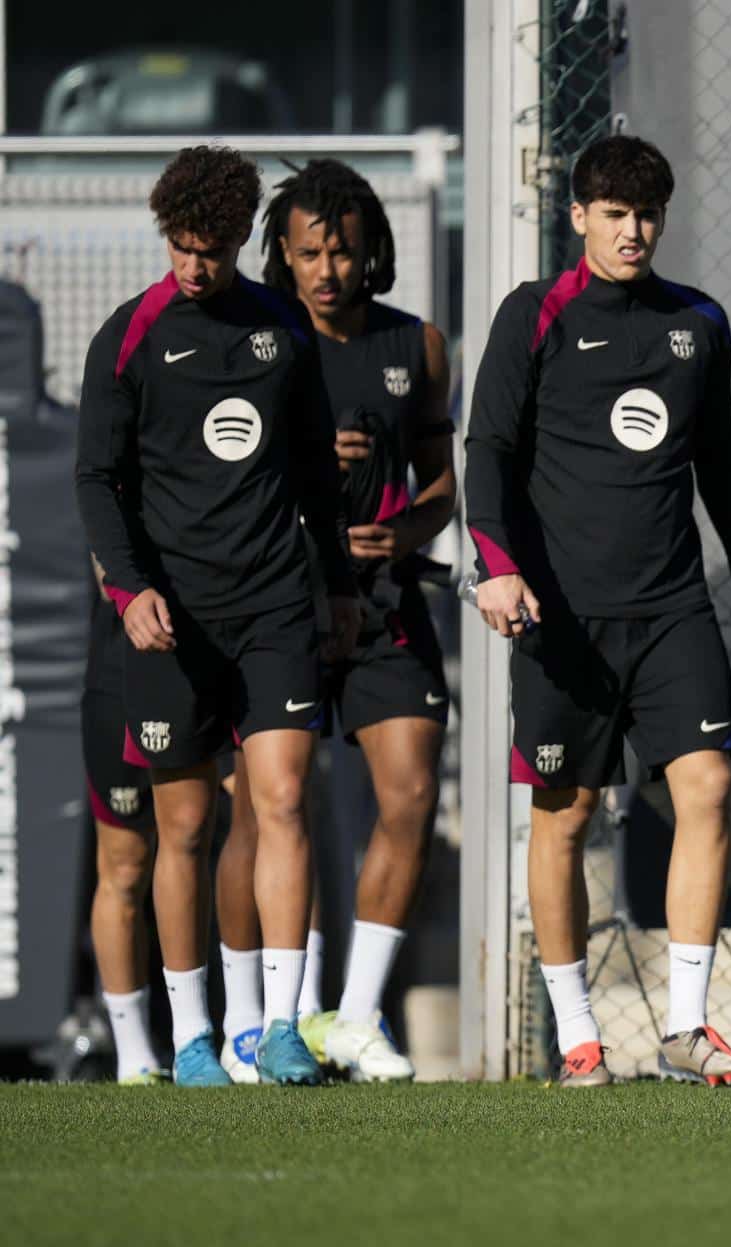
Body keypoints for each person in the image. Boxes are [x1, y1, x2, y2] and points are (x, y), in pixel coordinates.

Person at [465, 135, 731, 1088]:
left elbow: (720, 468)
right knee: (562, 818)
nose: (633, 231)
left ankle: (686, 1029)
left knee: (708, 790)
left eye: (646, 215)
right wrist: (495, 566)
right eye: (614, 214)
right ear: (579, 217)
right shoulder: (536, 317)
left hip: (674, 607)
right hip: (561, 619)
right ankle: (577, 1038)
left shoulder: (697, 323)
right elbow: (486, 451)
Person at [74, 145, 361, 1087]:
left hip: (275, 604)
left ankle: (282, 1027)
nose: (193, 265)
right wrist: (131, 588)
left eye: (211, 248)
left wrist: (339, 588)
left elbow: (318, 470)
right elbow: (96, 479)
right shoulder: (131, 335)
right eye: (181, 246)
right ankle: (190, 1035)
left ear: (242, 238)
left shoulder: (281, 327)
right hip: (172, 621)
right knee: (185, 827)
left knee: (281, 799)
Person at [207, 159, 455, 1084]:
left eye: (343, 252)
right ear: (281, 251)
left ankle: (353, 1019)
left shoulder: (418, 346)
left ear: (371, 253)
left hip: (385, 605)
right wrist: (305, 453)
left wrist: (401, 533)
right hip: (280, 603)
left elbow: (440, 492)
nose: (326, 270)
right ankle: (267, 1019)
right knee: (266, 807)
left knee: (412, 793)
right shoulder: (257, 340)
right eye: (308, 251)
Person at [82, 565, 165, 1084]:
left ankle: (254, 1028)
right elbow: (105, 566)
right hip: (124, 671)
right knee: (125, 865)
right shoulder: (106, 484)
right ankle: (134, 1053)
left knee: (269, 819)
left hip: (227, 659)